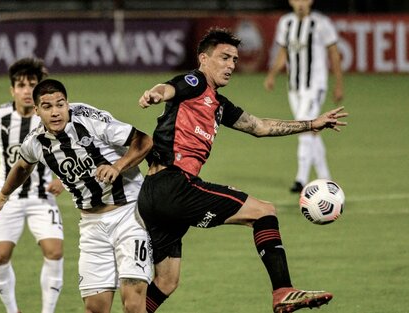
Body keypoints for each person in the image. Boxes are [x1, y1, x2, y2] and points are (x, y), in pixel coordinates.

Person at [138, 27, 347, 313]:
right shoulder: (196, 81)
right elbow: (171, 87)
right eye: (224, 57)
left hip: (152, 194)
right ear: (203, 59)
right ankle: (283, 291)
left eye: (234, 60)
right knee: (263, 211)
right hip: (174, 184)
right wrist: (155, 94)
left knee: (166, 281)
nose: (231, 65)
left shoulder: (218, 104)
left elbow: (259, 127)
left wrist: (312, 124)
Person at [0, 78, 153, 313]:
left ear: (67, 103)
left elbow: (143, 140)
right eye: (47, 107)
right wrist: (2, 196)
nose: (55, 112)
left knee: (133, 302)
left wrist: (117, 166)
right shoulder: (36, 141)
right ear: (37, 111)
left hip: (130, 215)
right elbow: (23, 166)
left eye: (60, 104)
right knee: (95, 308)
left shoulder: (88, 119)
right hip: (91, 225)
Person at [0, 58, 65, 313]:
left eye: (32, 84)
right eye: (21, 85)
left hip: (41, 195)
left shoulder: (49, 116)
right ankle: (12, 310)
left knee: (55, 251)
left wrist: (61, 178)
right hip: (8, 198)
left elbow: (67, 148)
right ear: (12, 90)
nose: (26, 91)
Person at [264, 0, 344, 193]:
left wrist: (339, 84)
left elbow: (334, 53)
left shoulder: (321, 23)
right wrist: (272, 74)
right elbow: (283, 52)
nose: (301, 3)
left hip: (314, 86)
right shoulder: (286, 23)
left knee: (303, 127)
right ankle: (326, 177)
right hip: (293, 87)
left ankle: (301, 179)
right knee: (312, 130)